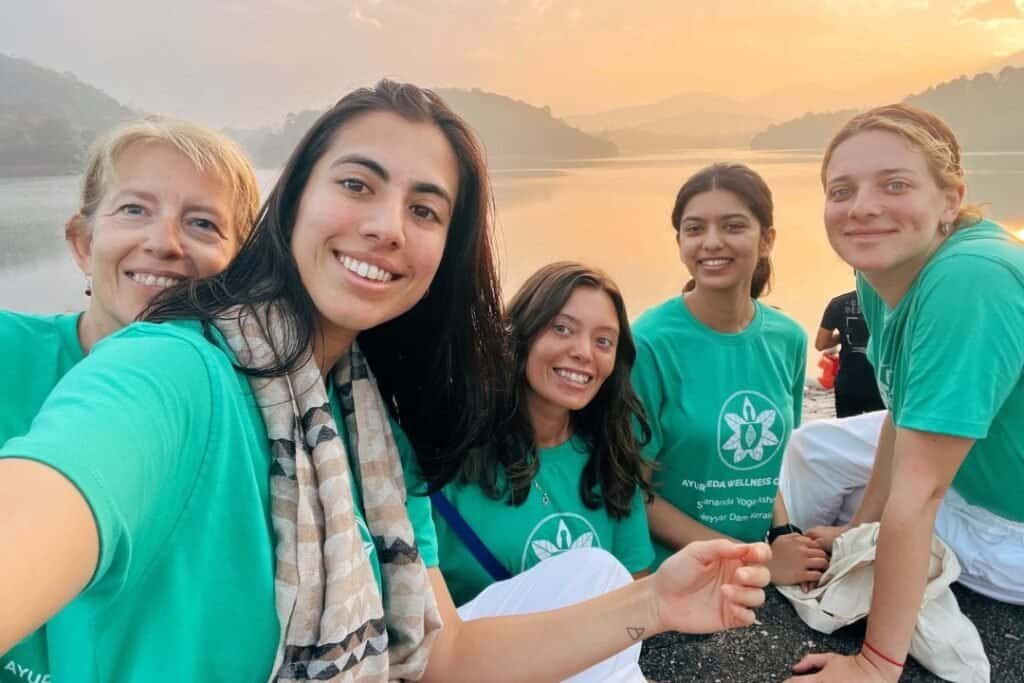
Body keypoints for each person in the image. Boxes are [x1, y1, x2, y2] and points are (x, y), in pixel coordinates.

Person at [0, 81, 771, 682]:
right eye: (359, 185)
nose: (388, 226)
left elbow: (446, 656)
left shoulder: (372, 423)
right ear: (293, 200)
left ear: (446, 249)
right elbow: (51, 498)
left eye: (426, 209)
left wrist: (655, 603)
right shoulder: (177, 369)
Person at [0, 116, 259, 682]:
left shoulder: (251, 414)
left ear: (240, 267)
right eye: (135, 210)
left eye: (202, 223)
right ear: (83, 242)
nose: (164, 243)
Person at [787, 104, 1024, 682]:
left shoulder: (971, 278)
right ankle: (800, 555)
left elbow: (920, 492)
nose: (862, 207)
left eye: (894, 184)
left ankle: (889, 627)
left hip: (1010, 524)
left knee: (900, 515)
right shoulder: (882, 275)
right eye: (842, 190)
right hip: (978, 465)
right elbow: (902, 408)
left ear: (950, 199)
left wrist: (874, 665)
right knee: (810, 449)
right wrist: (860, 528)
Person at [433, 262, 655, 680]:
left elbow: (636, 590)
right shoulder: (453, 457)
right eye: (562, 329)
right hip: (473, 664)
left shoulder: (610, 457)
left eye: (603, 341)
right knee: (593, 570)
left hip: (586, 666)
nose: (583, 352)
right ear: (521, 334)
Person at [631, 163, 826, 590]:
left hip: (754, 555)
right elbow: (631, 493)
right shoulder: (648, 343)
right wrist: (752, 561)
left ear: (767, 239)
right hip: (674, 573)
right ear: (680, 241)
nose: (711, 242)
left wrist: (781, 532)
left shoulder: (787, 339)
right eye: (695, 228)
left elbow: (768, 463)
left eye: (733, 226)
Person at [815, 290, 884, 417]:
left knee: (847, 434)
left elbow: (821, 344)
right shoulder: (893, 301)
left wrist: (843, 336)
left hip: (848, 383)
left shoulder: (838, 303)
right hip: (883, 384)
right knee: (880, 433)